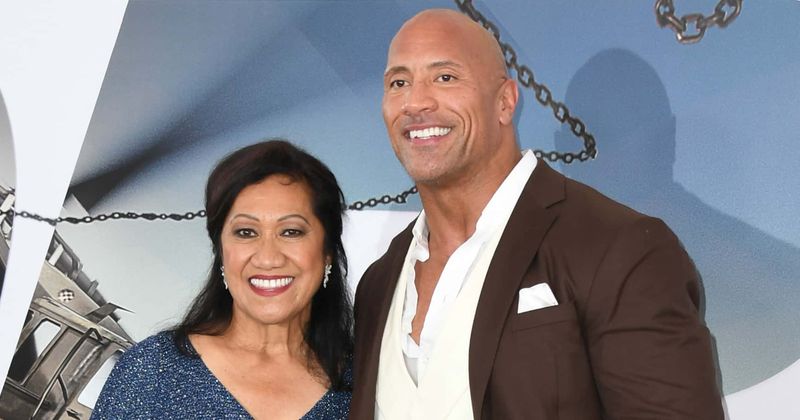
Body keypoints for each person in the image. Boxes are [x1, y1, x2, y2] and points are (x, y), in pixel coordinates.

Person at [351, 9, 723, 420]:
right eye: (399, 83)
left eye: (445, 77)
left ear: (505, 101)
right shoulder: (378, 285)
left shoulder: (619, 248)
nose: (416, 102)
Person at [92, 140, 353, 419]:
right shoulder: (151, 372)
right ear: (221, 251)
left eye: (291, 232)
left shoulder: (366, 387)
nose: (268, 258)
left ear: (327, 251)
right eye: (246, 232)